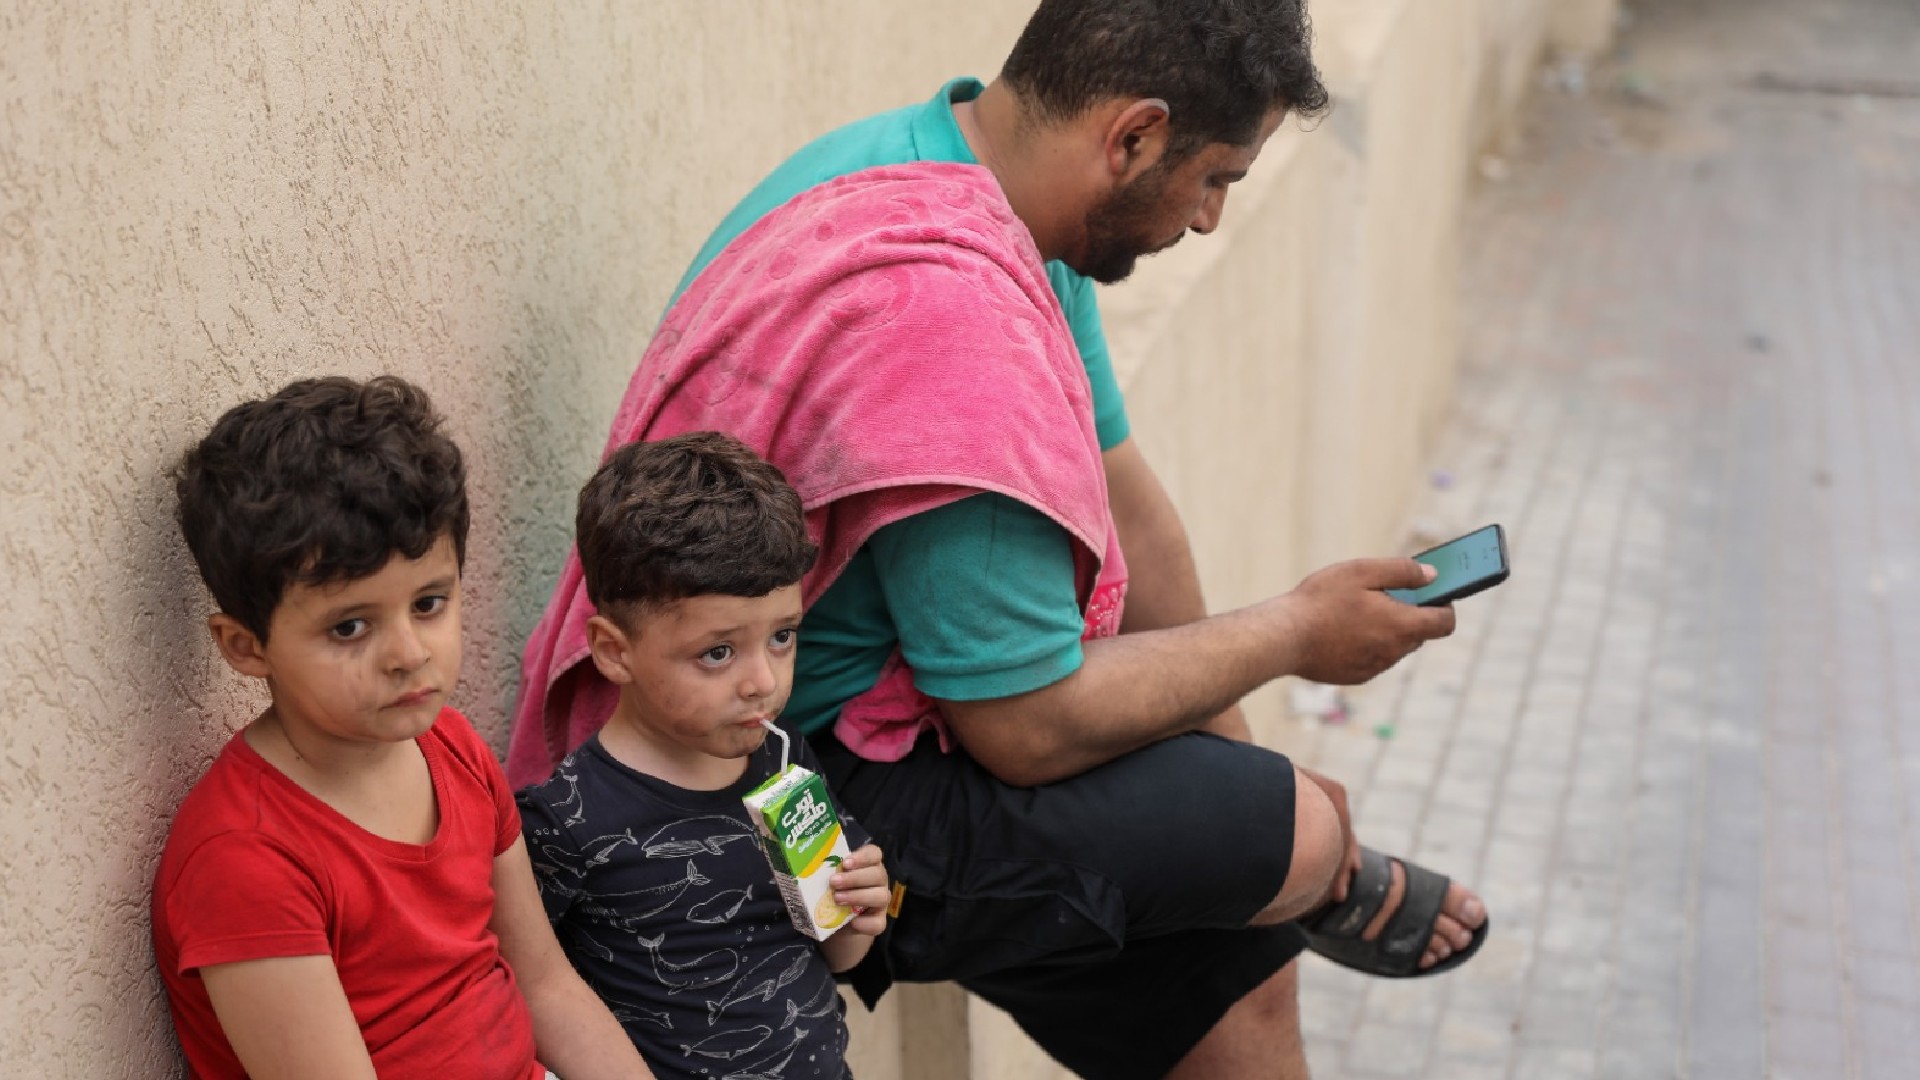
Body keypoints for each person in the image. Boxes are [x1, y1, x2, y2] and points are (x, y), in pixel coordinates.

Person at [510, 2, 1490, 1076]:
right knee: (1294, 833)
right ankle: (1325, 871)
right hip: (774, 762)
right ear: (1133, 137)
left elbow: (1128, 499)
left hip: (891, 721)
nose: (1209, 218)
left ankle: (1297, 875)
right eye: (1216, 178)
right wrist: (1299, 638)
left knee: (1244, 914)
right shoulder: (951, 321)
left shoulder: (949, 176)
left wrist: (1228, 771)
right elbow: (1023, 729)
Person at [153, 376, 654, 1080]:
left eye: (428, 603)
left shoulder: (449, 746)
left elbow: (546, 987)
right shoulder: (246, 859)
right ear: (246, 646)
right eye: (350, 626)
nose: (408, 655)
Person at [517, 432, 893, 1080]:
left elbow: (841, 957)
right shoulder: (567, 823)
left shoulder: (783, 759)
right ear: (613, 651)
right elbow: (526, 991)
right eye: (718, 652)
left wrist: (865, 910)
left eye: (781, 637)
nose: (763, 682)